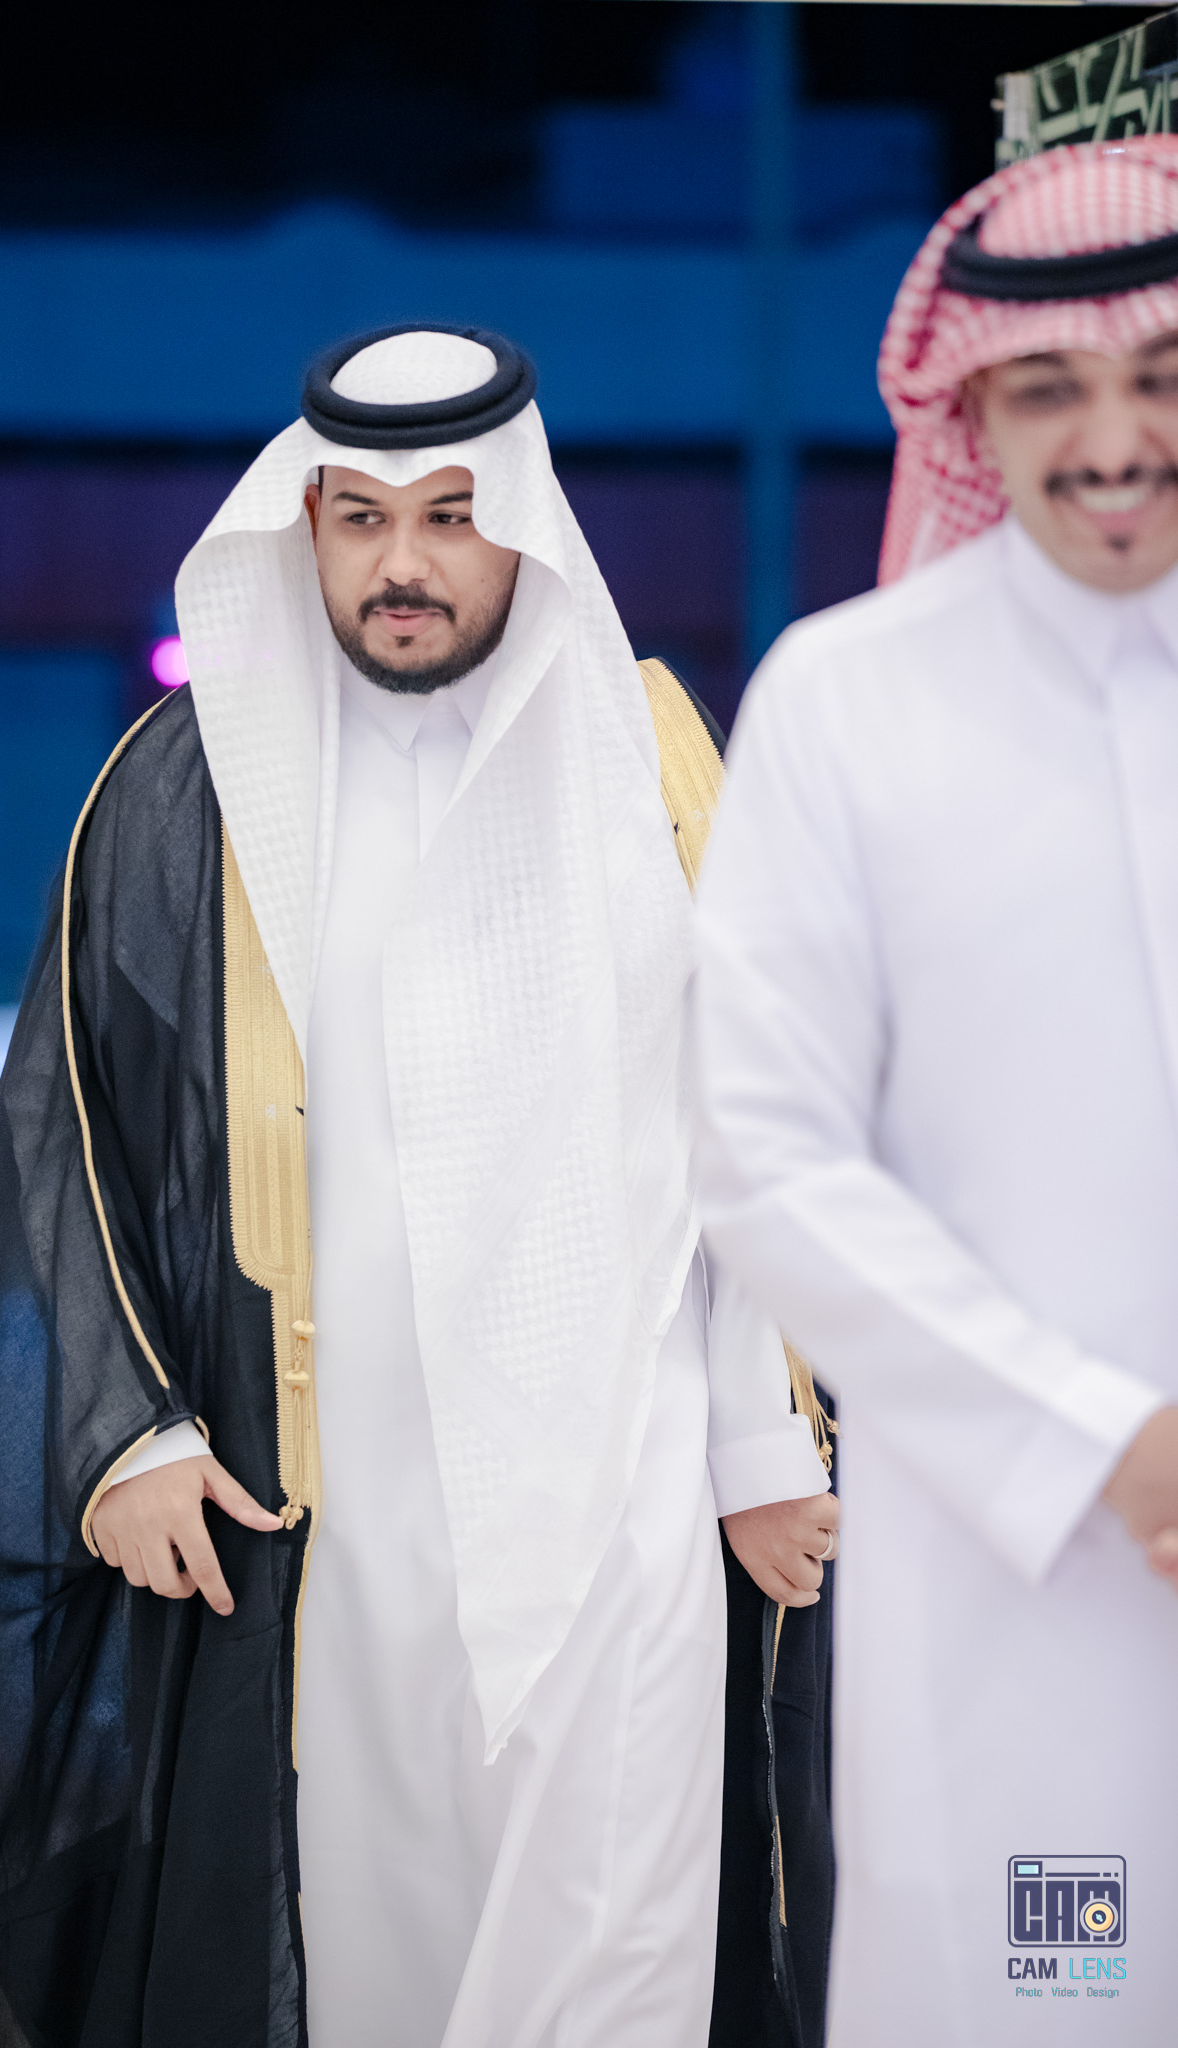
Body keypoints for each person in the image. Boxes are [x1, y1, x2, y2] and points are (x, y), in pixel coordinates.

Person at [0, 324, 836, 2048]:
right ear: (307, 528)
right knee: (356, 1969)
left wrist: (754, 1437)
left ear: (523, 526)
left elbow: (741, 1117)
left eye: (447, 515)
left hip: (619, 1502)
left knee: (617, 1966)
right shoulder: (188, 791)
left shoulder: (649, 755)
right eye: (358, 518)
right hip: (332, 1527)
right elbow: (68, 1127)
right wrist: (123, 1432)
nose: (399, 563)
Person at [692, 140, 1178, 2048]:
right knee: (1056, 1986)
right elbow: (765, 1153)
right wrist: (1098, 1446)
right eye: (1050, 388)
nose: (1114, 441)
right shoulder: (848, 701)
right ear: (967, 407)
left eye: (1160, 376)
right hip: (1014, 1591)